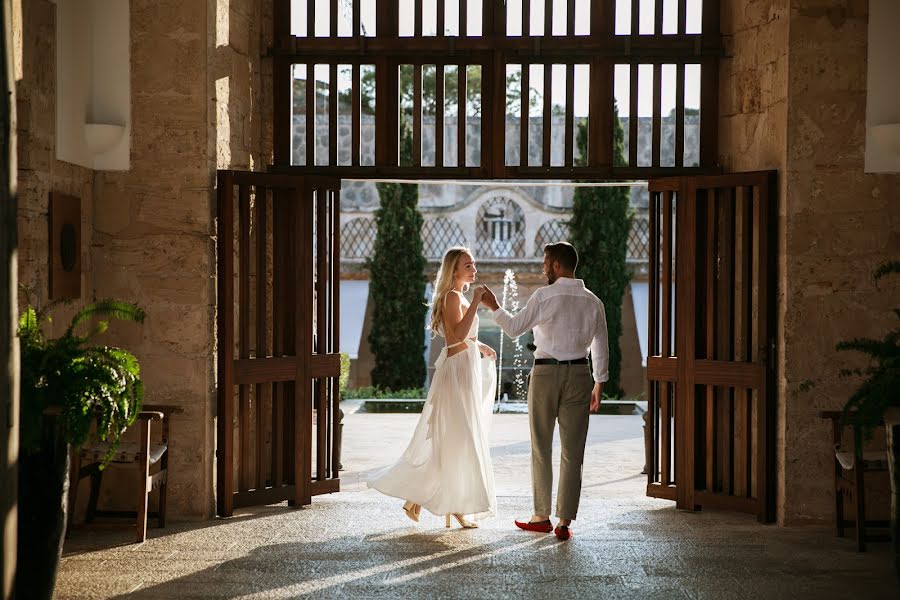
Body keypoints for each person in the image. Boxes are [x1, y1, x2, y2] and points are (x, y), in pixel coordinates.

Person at [479, 241, 608, 541]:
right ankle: (564, 522)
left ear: (558, 265)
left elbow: (514, 327)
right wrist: (599, 383)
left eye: (546, 262)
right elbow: (601, 345)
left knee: (541, 446)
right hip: (580, 374)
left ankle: (540, 516)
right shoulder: (594, 302)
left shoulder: (544, 296)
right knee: (573, 451)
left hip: (546, 373)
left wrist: (494, 306)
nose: (542, 267)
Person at [367, 247, 498, 528]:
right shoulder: (453, 296)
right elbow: (456, 337)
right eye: (468, 265)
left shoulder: (458, 296)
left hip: (464, 369)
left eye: (473, 264)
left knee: (456, 438)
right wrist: (476, 301)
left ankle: (421, 499)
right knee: (457, 438)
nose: (474, 269)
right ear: (454, 270)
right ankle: (452, 504)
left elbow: (461, 337)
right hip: (456, 374)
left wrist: (481, 345)